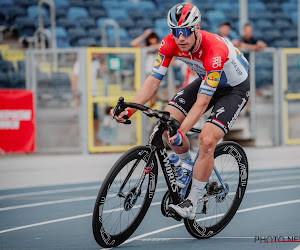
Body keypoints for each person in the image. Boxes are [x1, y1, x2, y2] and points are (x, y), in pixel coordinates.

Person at [111, 3, 250, 220]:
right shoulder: (169, 43)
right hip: (207, 80)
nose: (180, 38)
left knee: (206, 140)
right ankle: (186, 165)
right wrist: (130, 110)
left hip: (234, 89)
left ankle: (192, 203)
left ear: (197, 28)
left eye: (185, 31)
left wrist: (182, 131)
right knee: (166, 123)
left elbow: (202, 103)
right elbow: (153, 81)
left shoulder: (214, 50)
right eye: (175, 32)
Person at [71, 47, 108, 146]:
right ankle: (83, 144)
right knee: (84, 121)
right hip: (84, 97)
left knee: (95, 120)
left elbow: (105, 70)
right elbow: (74, 79)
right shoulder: (80, 63)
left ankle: (95, 142)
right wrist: (76, 95)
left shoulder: (95, 63)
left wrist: (103, 59)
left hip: (93, 96)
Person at [131, 29, 160, 108]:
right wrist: (145, 35)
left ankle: (150, 106)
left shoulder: (158, 47)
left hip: (155, 72)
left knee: (153, 92)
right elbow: (133, 43)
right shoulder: (144, 47)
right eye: (151, 38)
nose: (153, 40)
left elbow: (158, 46)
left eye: (154, 38)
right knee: (147, 91)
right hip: (145, 72)